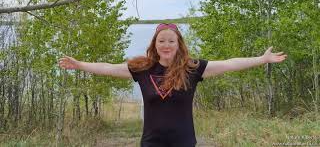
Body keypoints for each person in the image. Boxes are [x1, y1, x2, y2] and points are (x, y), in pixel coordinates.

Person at [58, 23, 287, 147]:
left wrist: (262, 59)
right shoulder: (143, 69)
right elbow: (108, 68)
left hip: (184, 142)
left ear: (178, 44)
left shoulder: (193, 69)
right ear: (155, 44)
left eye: (171, 40)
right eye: (162, 40)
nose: (166, 44)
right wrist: (80, 65)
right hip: (151, 143)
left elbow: (229, 64)